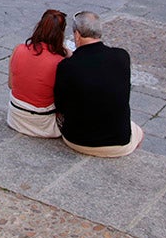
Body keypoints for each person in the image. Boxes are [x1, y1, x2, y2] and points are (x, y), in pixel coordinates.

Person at [54, 11, 144, 157]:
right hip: (118, 142)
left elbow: (60, 105)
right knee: (139, 131)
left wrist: (71, 58)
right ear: (99, 32)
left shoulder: (67, 66)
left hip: (77, 139)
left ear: (77, 35)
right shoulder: (122, 57)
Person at [8, 9, 70, 138]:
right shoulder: (60, 62)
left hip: (16, 117)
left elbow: (11, 84)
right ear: (61, 33)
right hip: (43, 123)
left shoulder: (18, 49)